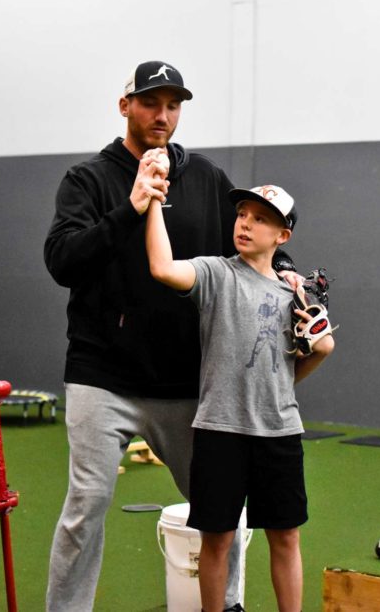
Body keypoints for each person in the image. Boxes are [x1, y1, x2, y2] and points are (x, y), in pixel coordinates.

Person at [43, 61, 296, 611]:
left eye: (173, 105)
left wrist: (292, 275)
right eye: (151, 102)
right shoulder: (88, 180)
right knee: (87, 504)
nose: (162, 115)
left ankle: (227, 605)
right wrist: (130, 209)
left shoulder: (204, 178)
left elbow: (252, 244)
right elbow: (62, 260)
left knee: (221, 509)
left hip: (189, 384)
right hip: (102, 378)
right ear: (125, 106)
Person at [145, 180, 334, 612]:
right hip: (219, 431)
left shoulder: (295, 293)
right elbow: (161, 267)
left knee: (286, 537)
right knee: (218, 539)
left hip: (280, 431)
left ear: (282, 236)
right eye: (242, 214)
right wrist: (154, 203)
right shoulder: (216, 273)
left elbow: (301, 360)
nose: (245, 224)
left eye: (260, 219)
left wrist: (322, 349)